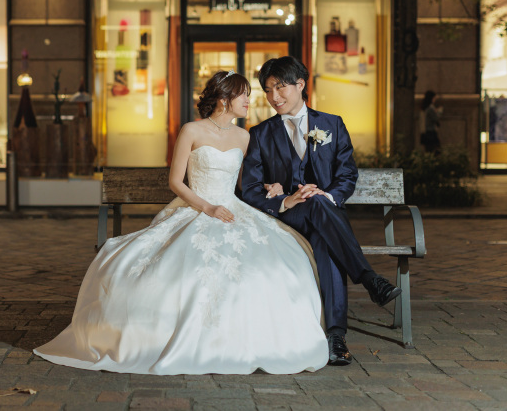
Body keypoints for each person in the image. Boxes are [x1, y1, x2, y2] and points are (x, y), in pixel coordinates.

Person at [34, 70, 329, 375]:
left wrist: (271, 187)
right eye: (244, 95)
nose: (249, 101)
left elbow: (246, 185)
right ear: (225, 99)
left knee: (277, 259)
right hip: (195, 206)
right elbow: (175, 182)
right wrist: (207, 207)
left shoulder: (244, 136)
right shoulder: (191, 130)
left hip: (231, 208)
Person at [241, 56, 401, 367]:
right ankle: (368, 280)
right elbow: (249, 189)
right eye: (268, 90)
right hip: (287, 218)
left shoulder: (332, 124)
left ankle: (335, 339)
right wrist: (283, 199)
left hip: (325, 214)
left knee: (325, 236)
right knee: (314, 208)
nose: (274, 97)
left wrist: (326, 195)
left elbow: (347, 175)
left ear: (301, 85)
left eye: (280, 87)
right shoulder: (261, 134)